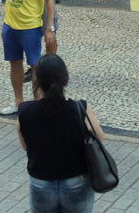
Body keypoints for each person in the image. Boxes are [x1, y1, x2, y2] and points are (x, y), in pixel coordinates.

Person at [17, 54, 105, 213]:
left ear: (38, 82)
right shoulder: (80, 109)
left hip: (41, 181)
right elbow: (99, 137)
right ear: (65, 80)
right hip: (76, 180)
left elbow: (25, 146)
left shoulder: (24, 111)